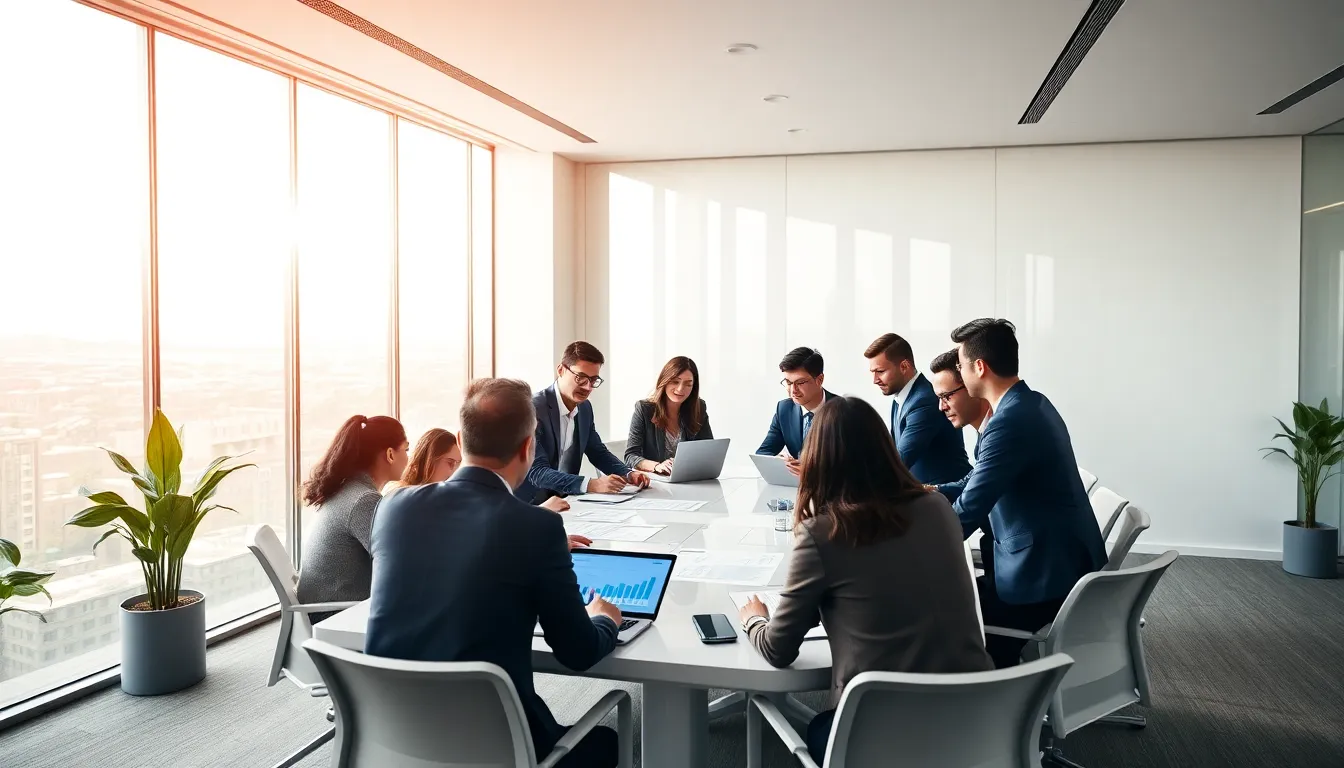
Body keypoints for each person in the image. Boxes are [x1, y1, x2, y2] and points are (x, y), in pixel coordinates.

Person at [366, 378, 615, 767]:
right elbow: (578, 653)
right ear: (528, 448)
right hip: (499, 748)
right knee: (607, 742)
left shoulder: (394, 507)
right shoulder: (537, 528)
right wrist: (604, 622)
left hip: (394, 741)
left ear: (461, 441)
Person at [737, 396, 992, 764]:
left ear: (817, 459)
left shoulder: (822, 532)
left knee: (817, 731)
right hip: (976, 715)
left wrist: (754, 618)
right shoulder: (937, 507)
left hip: (880, 731)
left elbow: (778, 651)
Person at [949, 318, 1106, 668]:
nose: (959, 373)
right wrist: (924, 494)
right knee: (957, 598)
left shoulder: (1009, 422)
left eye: (960, 365)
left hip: (1043, 578)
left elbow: (968, 510)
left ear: (979, 366)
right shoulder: (1030, 403)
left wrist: (904, 542)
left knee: (950, 615)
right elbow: (977, 484)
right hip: (1056, 561)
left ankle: (991, 700)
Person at [296, 415, 408, 624]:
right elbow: (397, 561)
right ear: (391, 454)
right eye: (406, 449)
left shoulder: (348, 489)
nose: (408, 458)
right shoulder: (364, 500)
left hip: (322, 607)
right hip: (335, 614)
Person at [515, 341, 649, 503]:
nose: (587, 387)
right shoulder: (533, 408)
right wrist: (591, 484)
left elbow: (598, 452)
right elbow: (537, 471)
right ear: (561, 370)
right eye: (581, 377)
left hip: (566, 502)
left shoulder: (585, 408)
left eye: (593, 380)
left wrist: (628, 473)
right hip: (529, 505)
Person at [864, 332, 970, 485]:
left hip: (947, 497)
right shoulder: (899, 397)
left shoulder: (924, 401)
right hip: (925, 496)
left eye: (880, 372)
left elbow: (899, 461)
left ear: (904, 366)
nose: (875, 380)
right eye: (873, 373)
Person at [391, 428, 570, 513]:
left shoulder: (448, 496)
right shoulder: (400, 495)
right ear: (428, 459)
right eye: (449, 462)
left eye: (458, 464)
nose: (454, 471)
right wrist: (541, 513)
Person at [625, 356, 714, 474]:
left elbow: (709, 451)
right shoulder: (644, 409)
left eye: (688, 384)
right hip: (656, 483)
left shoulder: (699, 408)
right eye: (675, 382)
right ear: (664, 381)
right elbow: (630, 456)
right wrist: (657, 466)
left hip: (688, 480)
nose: (680, 389)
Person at [756, 347, 835, 476]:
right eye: (788, 382)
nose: (793, 390)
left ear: (819, 380)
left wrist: (812, 472)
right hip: (795, 489)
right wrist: (779, 461)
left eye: (800, 382)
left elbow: (856, 464)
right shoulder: (784, 409)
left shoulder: (844, 411)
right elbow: (763, 454)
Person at [927, 348, 993, 504]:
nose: (941, 407)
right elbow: (973, 478)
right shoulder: (986, 428)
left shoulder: (1001, 429)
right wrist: (932, 489)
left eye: (946, 396)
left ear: (971, 384)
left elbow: (973, 501)